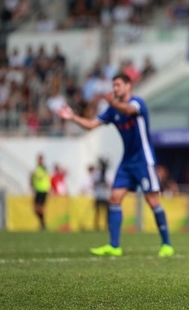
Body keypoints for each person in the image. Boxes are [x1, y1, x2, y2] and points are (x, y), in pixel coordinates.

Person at [57, 73, 174, 257]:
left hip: (144, 160)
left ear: (128, 86)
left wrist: (112, 103)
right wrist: (73, 117)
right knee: (114, 198)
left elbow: (129, 111)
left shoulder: (137, 103)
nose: (115, 88)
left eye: (118, 85)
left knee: (152, 200)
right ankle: (114, 246)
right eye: (114, 85)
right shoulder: (113, 111)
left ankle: (167, 244)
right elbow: (91, 125)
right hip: (127, 161)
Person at [30, 154, 51, 230]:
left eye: (41, 160)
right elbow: (33, 179)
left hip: (43, 190)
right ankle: (42, 223)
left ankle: (43, 224)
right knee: (35, 209)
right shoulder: (37, 169)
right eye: (39, 160)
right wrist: (32, 186)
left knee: (40, 208)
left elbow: (40, 177)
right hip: (37, 190)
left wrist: (34, 174)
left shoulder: (44, 169)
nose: (40, 161)